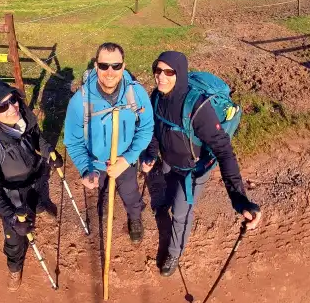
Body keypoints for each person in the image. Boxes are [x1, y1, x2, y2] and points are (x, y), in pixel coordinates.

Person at [140, 51, 261, 277]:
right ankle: (168, 201)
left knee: (180, 213)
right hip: (169, 162)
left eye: (169, 72)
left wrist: (240, 199)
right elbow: (156, 128)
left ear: (180, 74)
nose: (161, 77)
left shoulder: (196, 107)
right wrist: (151, 154)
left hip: (193, 172)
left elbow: (224, 152)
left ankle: (174, 252)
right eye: (158, 70)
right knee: (169, 189)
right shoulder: (156, 96)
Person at [0, 81, 57, 288]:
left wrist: (49, 151)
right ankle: (14, 267)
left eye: (13, 100)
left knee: (38, 196)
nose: (12, 107)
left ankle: (39, 206)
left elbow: (37, 138)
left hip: (34, 176)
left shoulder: (23, 118)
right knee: (15, 237)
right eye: (2, 106)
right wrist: (12, 218)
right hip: (13, 196)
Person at [63, 42, 154, 245]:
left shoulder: (136, 94)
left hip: (125, 160)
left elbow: (146, 128)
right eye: (104, 66)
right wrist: (86, 169)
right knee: (102, 194)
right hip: (96, 165)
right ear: (96, 66)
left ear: (123, 66)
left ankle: (135, 217)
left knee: (130, 193)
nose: (110, 72)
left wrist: (127, 159)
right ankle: (103, 209)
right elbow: (73, 141)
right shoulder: (80, 101)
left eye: (116, 66)